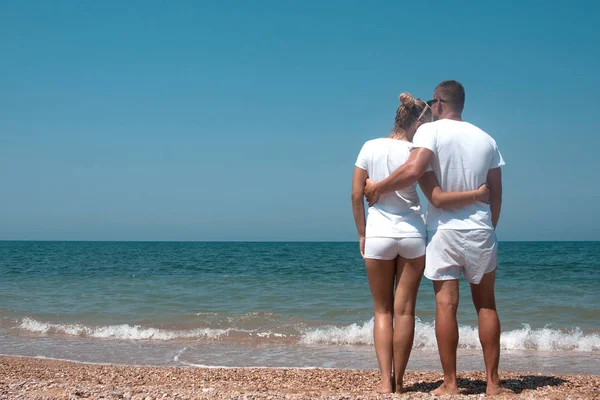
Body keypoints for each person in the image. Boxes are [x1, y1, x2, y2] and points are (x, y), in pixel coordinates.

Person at [364, 81, 510, 396]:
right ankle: (493, 384)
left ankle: (451, 383)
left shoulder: (432, 131)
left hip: (445, 231)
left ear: (439, 104)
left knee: (446, 304)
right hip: (481, 228)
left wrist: (378, 188)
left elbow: (414, 169)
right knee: (486, 305)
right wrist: (489, 226)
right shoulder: (487, 139)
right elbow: (496, 193)